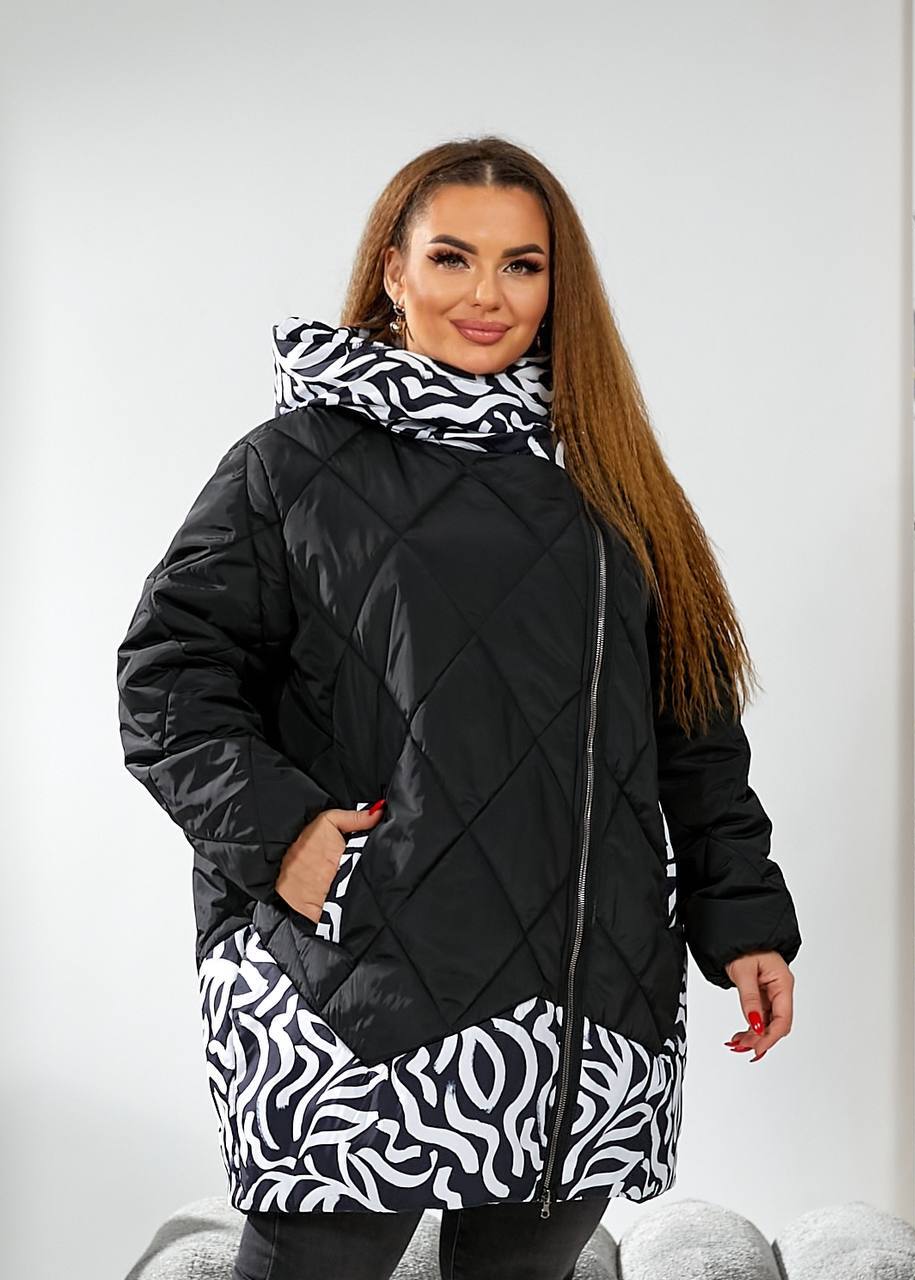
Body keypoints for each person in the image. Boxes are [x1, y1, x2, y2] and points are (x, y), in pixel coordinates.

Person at [115, 135, 801, 1280]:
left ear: (558, 284)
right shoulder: (290, 466)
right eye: (452, 257)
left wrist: (746, 920)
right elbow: (167, 674)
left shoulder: (611, 477)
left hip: (584, 1001)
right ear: (393, 270)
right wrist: (283, 835)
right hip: (354, 991)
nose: (488, 294)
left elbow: (692, 724)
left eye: (522, 264)